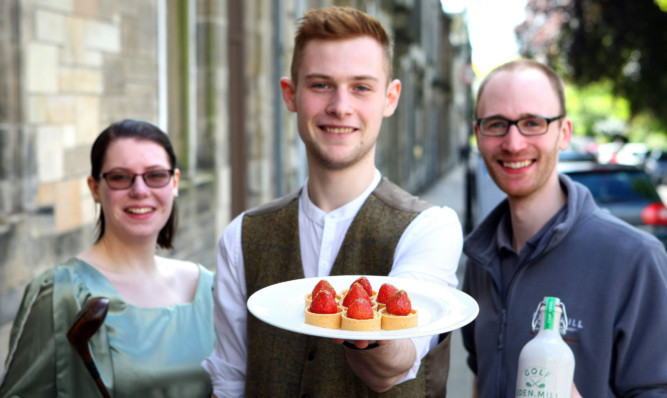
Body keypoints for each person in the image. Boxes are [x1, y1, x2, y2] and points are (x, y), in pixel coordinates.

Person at [202, 6, 462, 398]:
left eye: (361, 87)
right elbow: (230, 379)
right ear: (291, 94)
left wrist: (364, 330)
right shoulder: (242, 237)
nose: (340, 106)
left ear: (389, 98)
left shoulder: (429, 227)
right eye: (321, 84)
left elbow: (394, 366)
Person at [461, 59, 667, 397]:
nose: (513, 143)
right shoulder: (480, 258)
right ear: (478, 135)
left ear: (564, 133)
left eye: (532, 123)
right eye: (496, 124)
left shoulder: (636, 259)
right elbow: (480, 374)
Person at [0, 119, 216, 397]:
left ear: (174, 182)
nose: (139, 190)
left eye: (156, 175)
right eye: (120, 177)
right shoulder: (62, 293)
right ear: (94, 188)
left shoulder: (209, 289)